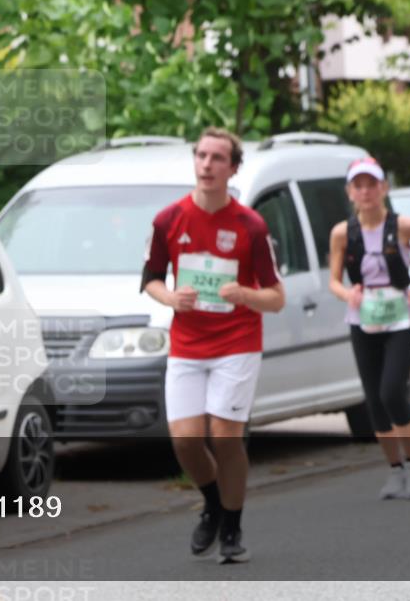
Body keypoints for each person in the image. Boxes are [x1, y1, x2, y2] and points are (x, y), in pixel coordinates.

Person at [141, 127, 285, 564]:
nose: (207, 164)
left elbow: (276, 297)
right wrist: (171, 298)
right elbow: (151, 279)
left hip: (237, 342)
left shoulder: (250, 226)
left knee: (224, 437)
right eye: (201, 156)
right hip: (187, 344)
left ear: (233, 168)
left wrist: (245, 294)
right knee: (185, 441)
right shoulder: (168, 220)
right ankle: (213, 504)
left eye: (217, 158)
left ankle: (232, 529)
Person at [328, 156, 410, 500]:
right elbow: (334, 280)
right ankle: (395, 470)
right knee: (374, 399)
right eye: (358, 186)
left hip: (401, 317)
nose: (366, 192)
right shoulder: (342, 233)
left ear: (384, 188)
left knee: (392, 390)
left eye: (372, 185)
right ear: (349, 192)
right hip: (364, 319)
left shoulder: (404, 225)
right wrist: (348, 294)